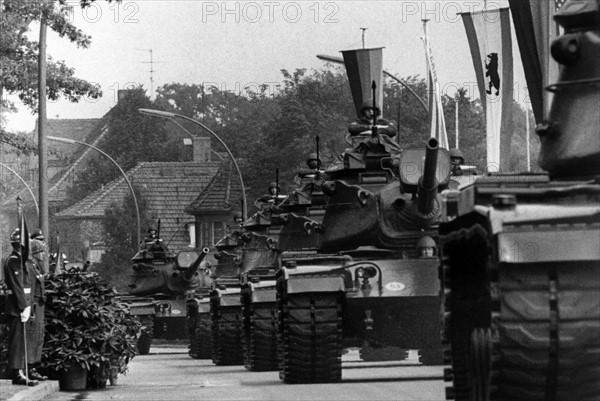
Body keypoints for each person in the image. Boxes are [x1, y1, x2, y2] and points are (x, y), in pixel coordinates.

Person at [3, 228, 38, 386]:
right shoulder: (13, 261)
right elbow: (17, 286)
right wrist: (24, 305)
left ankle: (21, 370)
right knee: (17, 341)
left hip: (24, 304)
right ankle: (17, 373)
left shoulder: (23, 261)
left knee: (22, 339)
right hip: (17, 305)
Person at [26, 239, 47, 381]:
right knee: (33, 337)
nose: (43, 254)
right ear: (35, 253)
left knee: (39, 336)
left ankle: (35, 366)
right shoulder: (30, 268)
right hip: (35, 306)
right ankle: (30, 367)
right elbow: (31, 290)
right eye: (41, 251)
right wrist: (31, 311)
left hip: (40, 306)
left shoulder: (37, 267)